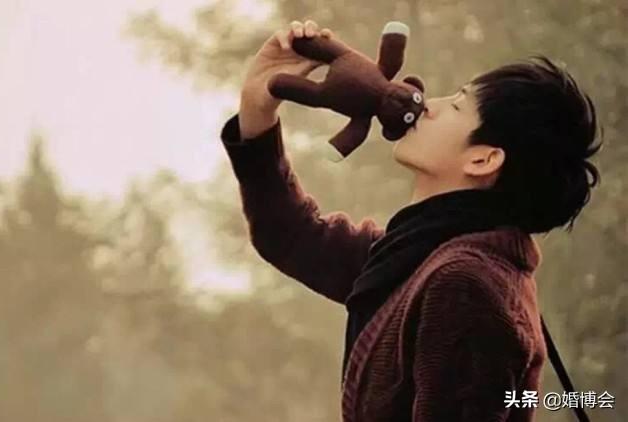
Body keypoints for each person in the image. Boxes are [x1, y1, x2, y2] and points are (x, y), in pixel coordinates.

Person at [219, 20, 601, 421]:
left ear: (483, 159)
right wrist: (257, 103)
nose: (428, 104)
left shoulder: (465, 286)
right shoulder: (416, 258)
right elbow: (291, 236)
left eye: (457, 104)